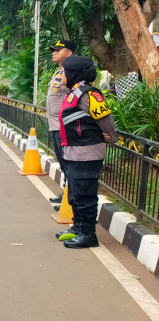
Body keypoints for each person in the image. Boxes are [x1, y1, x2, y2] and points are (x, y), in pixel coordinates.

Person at [57, 55, 117, 248]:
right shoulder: (75, 92)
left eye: (63, 72)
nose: (60, 75)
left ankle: (88, 234)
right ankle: (78, 227)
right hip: (74, 150)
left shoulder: (89, 94)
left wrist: (111, 136)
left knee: (85, 194)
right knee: (75, 192)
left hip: (87, 151)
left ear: (74, 73)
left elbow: (105, 119)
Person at [46, 39, 77, 204]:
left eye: (58, 50)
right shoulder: (59, 72)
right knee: (63, 162)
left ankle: (71, 198)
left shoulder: (72, 72)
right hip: (55, 125)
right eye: (54, 50)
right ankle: (67, 195)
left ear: (69, 53)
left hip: (64, 125)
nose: (54, 52)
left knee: (68, 162)